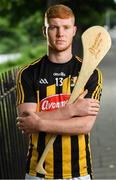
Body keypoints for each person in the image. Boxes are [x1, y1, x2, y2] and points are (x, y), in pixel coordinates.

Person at [16, 4, 102, 180]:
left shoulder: (90, 73)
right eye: (53, 27)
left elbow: (84, 125)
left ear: (74, 31)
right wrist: (70, 111)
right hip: (37, 171)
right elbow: (26, 121)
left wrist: (39, 123)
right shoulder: (28, 73)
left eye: (66, 27)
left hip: (79, 171)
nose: (60, 33)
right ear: (44, 31)